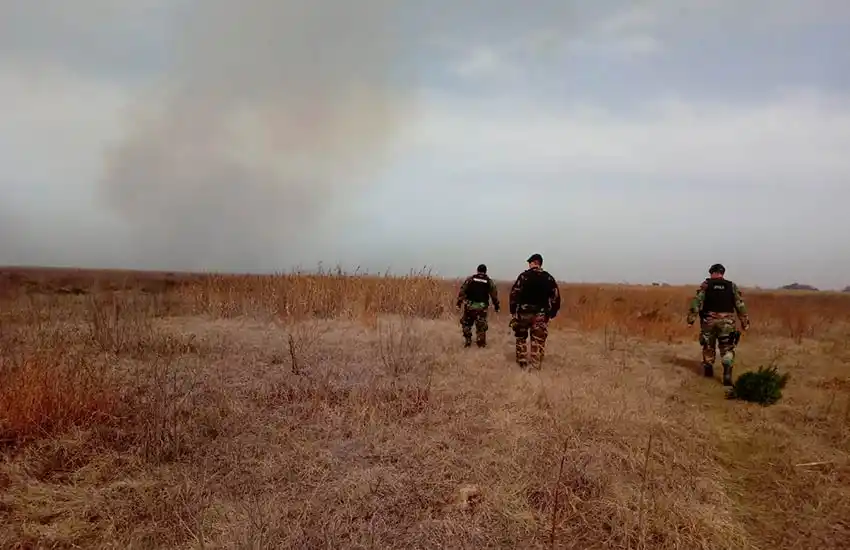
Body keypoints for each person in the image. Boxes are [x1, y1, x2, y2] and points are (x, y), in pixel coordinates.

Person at [686, 263, 750, 386]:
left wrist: (690, 320)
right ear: (722, 273)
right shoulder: (731, 286)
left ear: (711, 272)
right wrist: (745, 323)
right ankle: (727, 374)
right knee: (727, 348)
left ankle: (708, 370)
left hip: (708, 321)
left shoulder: (706, 285)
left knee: (708, 346)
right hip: (727, 323)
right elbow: (740, 305)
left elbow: (696, 303)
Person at [508, 253, 561, 368]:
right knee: (538, 339)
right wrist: (552, 312)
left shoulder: (523, 276)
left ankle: (522, 362)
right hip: (541, 314)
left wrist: (513, 310)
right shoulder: (548, 278)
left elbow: (514, 294)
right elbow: (556, 297)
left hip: (523, 313)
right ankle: (535, 364)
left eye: (529, 262)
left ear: (534, 262)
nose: (529, 265)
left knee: (521, 337)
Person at [456, 264, 500, 347]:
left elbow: (462, 291)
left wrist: (458, 303)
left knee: (467, 324)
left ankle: (468, 340)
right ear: (485, 271)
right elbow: (494, 295)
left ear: (477, 270)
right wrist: (496, 306)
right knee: (481, 326)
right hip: (481, 308)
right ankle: (480, 343)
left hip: (469, 306)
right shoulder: (488, 281)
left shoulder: (470, 279)